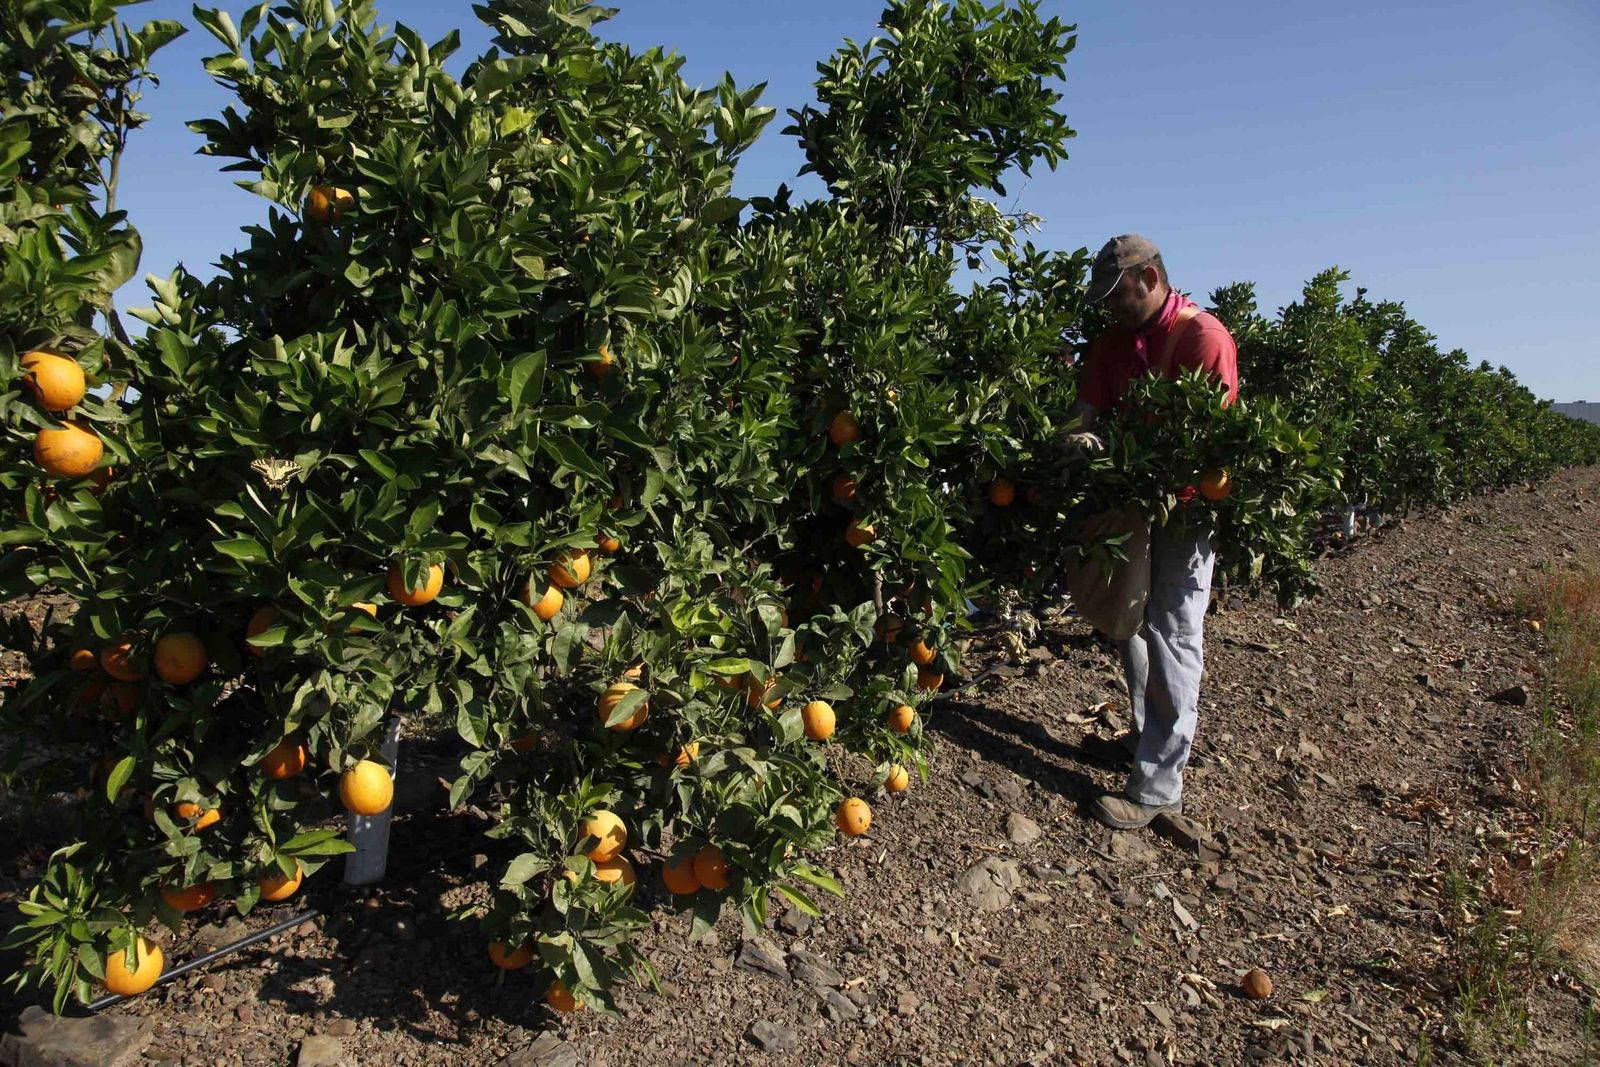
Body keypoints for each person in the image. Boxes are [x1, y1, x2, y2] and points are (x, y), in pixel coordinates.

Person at [1062, 234, 1239, 830]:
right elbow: (1084, 413)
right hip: (1132, 505)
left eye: (1118, 293)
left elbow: (1203, 447)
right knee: (1130, 619)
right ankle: (1146, 737)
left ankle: (1159, 786)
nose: (1110, 305)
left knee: (1175, 631)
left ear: (1153, 277)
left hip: (1187, 510)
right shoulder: (1112, 344)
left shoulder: (1202, 338)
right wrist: (1077, 438)